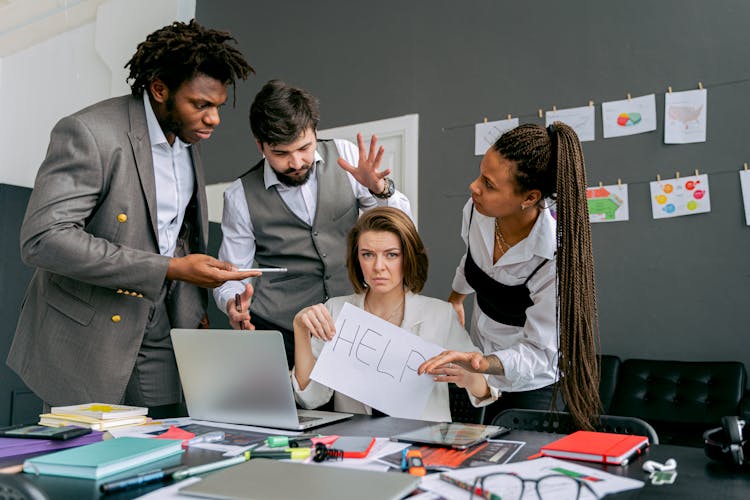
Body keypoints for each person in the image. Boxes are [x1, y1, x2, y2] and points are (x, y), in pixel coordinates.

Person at [7, 20, 258, 409]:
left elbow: (177, 234)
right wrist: (170, 268)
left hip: (161, 330)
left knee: (160, 449)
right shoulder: (90, 132)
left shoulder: (188, 139)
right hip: (86, 338)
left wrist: (202, 301)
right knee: (84, 459)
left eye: (218, 107)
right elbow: (44, 239)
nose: (214, 119)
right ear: (160, 89)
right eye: (201, 105)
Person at [213, 80, 412, 367]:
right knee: (289, 411)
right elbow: (233, 275)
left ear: (315, 132)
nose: (296, 162)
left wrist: (380, 190)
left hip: (353, 324)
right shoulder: (239, 196)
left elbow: (401, 228)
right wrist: (234, 305)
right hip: (280, 331)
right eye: (281, 153)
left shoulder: (346, 157)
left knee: (357, 411)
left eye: (304, 148)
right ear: (261, 146)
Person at [418, 123, 601, 429]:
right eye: (480, 174)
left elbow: (541, 352)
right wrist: (456, 299)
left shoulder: (552, 260)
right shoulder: (478, 211)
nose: (474, 187)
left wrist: (483, 363)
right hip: (484, 365)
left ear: (528, 198)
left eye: (489, 185)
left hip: (534, 383)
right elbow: (472, 260)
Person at [291, 207, 498, 422]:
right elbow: (310, 399)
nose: (378, 267)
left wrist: (470, 379)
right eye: (368, 255)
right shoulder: (336, 311)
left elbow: (485, 391)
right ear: (357, 259)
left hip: (425, 445)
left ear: (408, 258)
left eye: (391, 255)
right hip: (359, 447)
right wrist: (300, 329)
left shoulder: (440, 315)